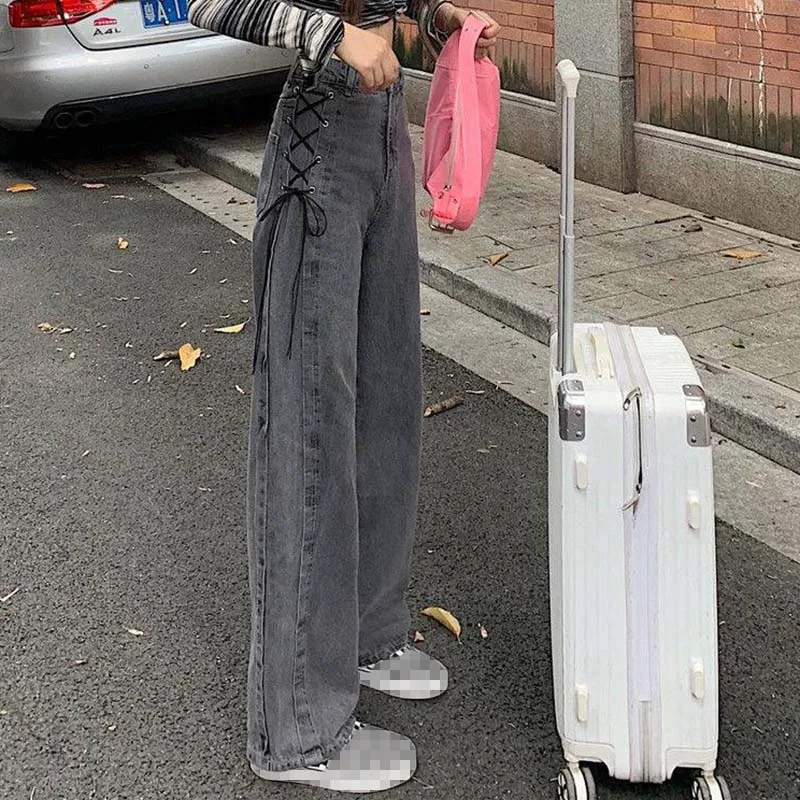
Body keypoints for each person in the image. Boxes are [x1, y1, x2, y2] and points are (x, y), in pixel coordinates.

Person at [186, 0, 500, 791]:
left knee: (387, 400)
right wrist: (333, 36)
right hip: (317, 140)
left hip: (381, 126)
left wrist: (435, 18)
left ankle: (366, 636)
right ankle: (295, 727)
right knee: (309, 427)